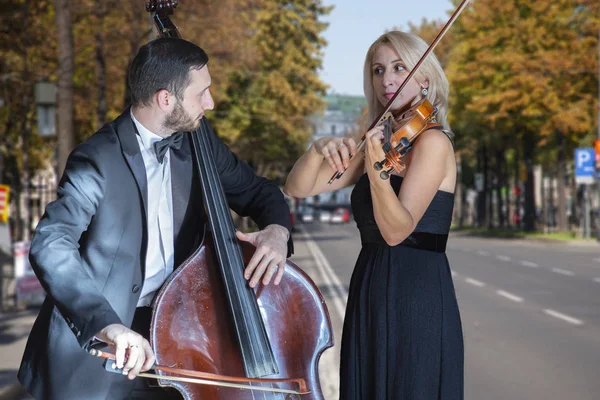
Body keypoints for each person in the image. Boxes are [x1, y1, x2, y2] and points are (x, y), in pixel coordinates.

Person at [18, 37, 293, 400]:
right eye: (202, 93)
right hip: (102, 344)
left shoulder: (199, 142)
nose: (210, 103)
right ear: (166, 99)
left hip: (178, 334)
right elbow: (52, 244)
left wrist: (277, 231)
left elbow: (260, 192)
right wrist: (109, 326)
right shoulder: (97, 159)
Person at [284, 31, 464, 399]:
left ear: (425, 78)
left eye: (400, 67)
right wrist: (318, 150)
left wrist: (379, 173)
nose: (388, 79)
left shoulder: (432, 142)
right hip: (371, 283)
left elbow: (398, 230)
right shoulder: (379, 141)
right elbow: (297, 187)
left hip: (417, 293)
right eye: (379, 70)